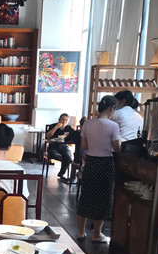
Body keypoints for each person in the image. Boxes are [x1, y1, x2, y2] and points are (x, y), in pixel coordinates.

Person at [76, 95, 121, 243]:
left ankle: (81, 232)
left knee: (86, 196)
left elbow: (84, 146)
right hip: (105, 163)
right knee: (103, 198)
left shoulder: (87, 124)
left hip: (90, 162)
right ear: (112, 108)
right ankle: (97, 234)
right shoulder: (113, 126)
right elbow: (117, 148)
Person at [45, 113, 74, 182]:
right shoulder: (53, 126)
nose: (64, 122)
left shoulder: (68, 128)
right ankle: (65, 163)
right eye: (63, 120)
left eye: (66, 120)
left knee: (68, 157)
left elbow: (74, 136)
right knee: (59, 156)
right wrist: (56, 127)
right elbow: (47, 136)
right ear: (59, 120)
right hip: (53, 146)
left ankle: (61, 173)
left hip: (64, 146)